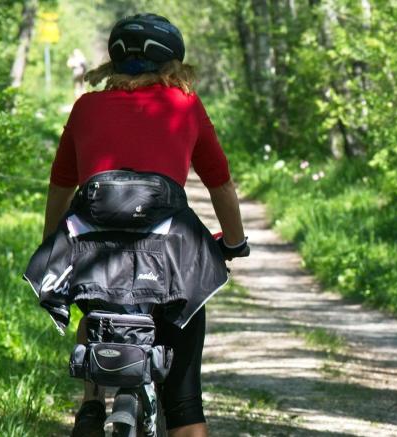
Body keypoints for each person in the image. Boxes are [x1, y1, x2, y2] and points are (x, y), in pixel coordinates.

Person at [38, 14, 248, 437]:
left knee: (94, 303)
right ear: (173, 63)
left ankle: (91, 402)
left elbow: (61, 185)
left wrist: (50, 244)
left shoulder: (85, 107)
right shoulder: (184, 104)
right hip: (169, 256)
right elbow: (220, 183)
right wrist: (235, 241)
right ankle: (177, 413)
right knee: (185, 400)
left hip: (94, 254)